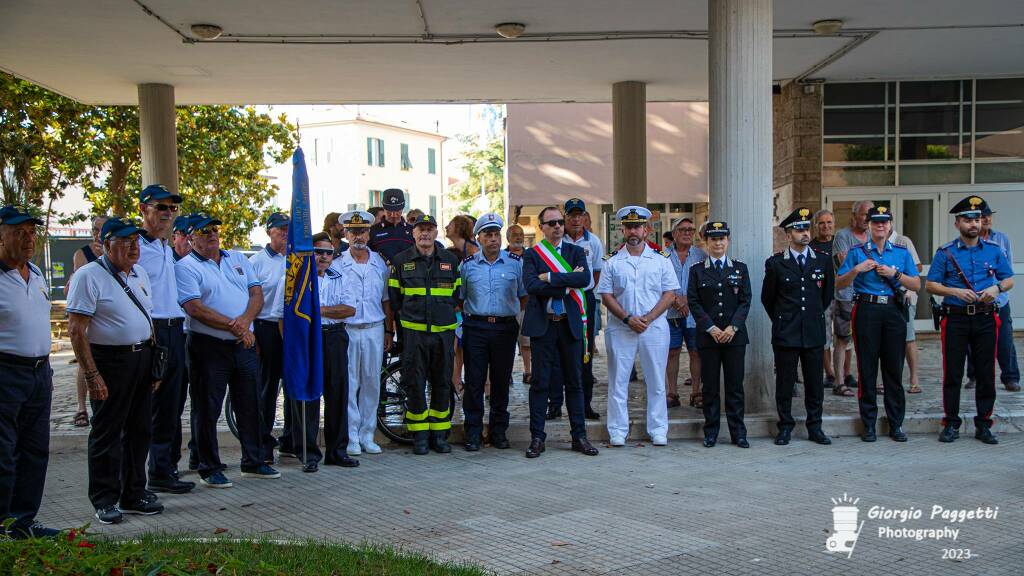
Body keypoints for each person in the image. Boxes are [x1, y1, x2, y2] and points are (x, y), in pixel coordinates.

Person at [67, 217, 163, 524]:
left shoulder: (140, 274)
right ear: (106, 245)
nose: (134, 247)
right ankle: (105, 498)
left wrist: (154, 367)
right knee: (107, 432)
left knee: (140, 430)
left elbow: (148, 317)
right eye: (125, 242)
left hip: (141, 359)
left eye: (136, 241)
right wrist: (92, 374)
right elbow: (76, 331)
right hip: (110, 361)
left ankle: (134, 492)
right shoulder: (89, 276)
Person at [176, 213, 277, 487]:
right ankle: (209, 467)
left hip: (242, 343)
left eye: (214, 229)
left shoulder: (237, 258)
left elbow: (256, 294)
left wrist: (244, 324)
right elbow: (194, 308)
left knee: (250, 403)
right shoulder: (186, 267)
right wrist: (236, 326)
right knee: (207, 408)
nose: (211, 234)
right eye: (203, 231)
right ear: (190, 237)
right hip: (209, 346)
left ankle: (253, 461)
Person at [927, 196, 1014, 445]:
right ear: (957, 224)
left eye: (976, 219)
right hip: (955, 319)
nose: (973, 224)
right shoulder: (946, 253)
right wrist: (955, 292)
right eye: (968, 219)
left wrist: (996, 289)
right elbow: (931, 285)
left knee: (987, 373)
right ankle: (951, 423)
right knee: (953, 373)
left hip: (986, 317)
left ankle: (984, 424)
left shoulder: (994, 251)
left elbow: (1008, 279)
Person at [836, 205, 920, 443]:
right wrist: (856, 269)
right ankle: (869, 424)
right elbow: (840, 284)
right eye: (875, 222)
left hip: (893, 310)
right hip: (867, 310)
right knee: (868, 369)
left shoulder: (901, 252)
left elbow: (915, 284)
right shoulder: (857, 251)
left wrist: (895, 275)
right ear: (869, 225)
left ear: (890, 225)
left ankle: (896, 424)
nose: (880, 226)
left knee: (893, 369)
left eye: (884, 222)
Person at [0, 205, 60, 538]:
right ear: (1, 234)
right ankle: (2, 523)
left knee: (35, 450)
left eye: (32, 232)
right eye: (19, 231)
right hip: (6, 372)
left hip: (39, 372)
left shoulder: (35, 273)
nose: (28, 239)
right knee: (3, 454)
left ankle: (23, 521)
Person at [521, 206, 600, 458]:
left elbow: (584, 280)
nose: (557, 226)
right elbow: (532, 285)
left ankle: (579, 436)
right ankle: (537, 438)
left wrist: (550, 278)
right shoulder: (532, 255)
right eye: (551, 223)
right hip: (544, 326)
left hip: (569, 324)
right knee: (540, 382)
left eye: (559, 222)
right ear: (541, 227)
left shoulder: (576, 251)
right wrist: (565, 280)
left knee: (575, 383)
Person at [597, 206, 677, 446]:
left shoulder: (661, 260)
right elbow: (606, 295)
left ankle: (658, 428)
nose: (633, 231)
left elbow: (670, 293)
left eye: (638, 226)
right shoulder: (612, 261)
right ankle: (617, 430)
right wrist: (627, 318)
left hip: (654, 328)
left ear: (647, 230)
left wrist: (649, 318)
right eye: (629, 226)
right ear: (622, 229)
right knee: (618, 381)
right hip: (621, 328)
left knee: (656, 380)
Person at [136, 184, 194, 495]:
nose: (168, 214)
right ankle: (146, 473)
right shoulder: (136, 246)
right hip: (153, 330)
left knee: (172, 404)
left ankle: (163, 468)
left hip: (175, 329)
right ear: (144, 209)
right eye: (162, 208)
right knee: (151, 406)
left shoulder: (163, 247)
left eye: (172, 209)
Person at [388, 213, 462, 455]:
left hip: (443, 334)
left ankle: (439, 435)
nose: (425, 233)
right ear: (413, 232)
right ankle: (419, 435)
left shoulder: (450, 261)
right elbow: (396, 301)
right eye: (420, 229)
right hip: (414, 336)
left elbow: (456, 297)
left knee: (442, 382)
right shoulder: (400, 261)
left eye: (429, 229)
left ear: (436, 233)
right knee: (414, 384)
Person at [761, 208, 835, 446]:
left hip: (813, 331)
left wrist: (810, 317)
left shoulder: (822, 260)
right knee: (785, 383)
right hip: (786, 332)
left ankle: (815, 426)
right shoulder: (776, 264)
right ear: (788, 234)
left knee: (815, 383)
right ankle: (785, 427)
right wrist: (784, 319)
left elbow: (826, 296)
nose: (805, 233)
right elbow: (768, 299)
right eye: (799, 229)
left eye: (806, 229)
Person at [460, 213, 526, 451]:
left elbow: (523, 296)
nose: (493, 239)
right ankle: (474, 433)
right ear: (478, 238)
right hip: (476, 327)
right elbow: (461, 298)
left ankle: (498, 432)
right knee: (475, 382)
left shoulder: (515, 263)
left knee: (500, 381)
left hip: (504, 328)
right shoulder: (467, 266)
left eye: (496, 234)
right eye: (487, 235)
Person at [688, 221, 752, 448]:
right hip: (709, 337)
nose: (718, 243)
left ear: (728, 241)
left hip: (734, 337)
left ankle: (738, 433)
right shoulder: (697, 270)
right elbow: (694, 302)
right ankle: (711, 432)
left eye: (722, 238)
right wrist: (712, 328)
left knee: (735, 387)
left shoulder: (739, 268)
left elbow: (745, 301)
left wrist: (732, 328)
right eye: (713, 239)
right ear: (706, 242)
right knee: (710, 387)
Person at [334, 211, 392, 457]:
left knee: (371, 382)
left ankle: (368, 434)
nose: (358, 236)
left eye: (362, 231)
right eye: (353, 231)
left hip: (374, 329)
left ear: (369, 233)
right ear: (345, 234)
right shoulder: (337, 264)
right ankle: (352, 436)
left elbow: (386, 299)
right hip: (348, 329)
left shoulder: (380, 262)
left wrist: (390, 329)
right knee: (350, 383)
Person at [249, 213, 293, 464]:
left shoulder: (297, 260)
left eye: (289, 230)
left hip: (291, 328)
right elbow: (249, 300)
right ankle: (263, 443)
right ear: (269, 232)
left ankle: (290, 439)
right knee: (267, 388)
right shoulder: (255, 262)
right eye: (281, 230)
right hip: (265, 327)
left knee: (292, 386)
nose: (285, 234)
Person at [554, 198, 603, 420]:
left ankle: (585, 405)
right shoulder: (556, 240)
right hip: (560, 299)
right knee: (555, 351)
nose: (575, 219)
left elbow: (596, 273)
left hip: (584, 299)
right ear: (564, 217)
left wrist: (581, 290)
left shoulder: (593, 242)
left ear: (584, 217)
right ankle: (554, 404)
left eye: (579, 215)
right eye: (571, 215)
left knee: (584, 352)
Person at [965, 206, 1020, 392]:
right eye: (982, 217)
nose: (986, 219)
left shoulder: (1002, 239)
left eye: (988, 216)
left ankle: (1010, 377)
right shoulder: (969, 240)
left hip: (999, 298)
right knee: (973, 341)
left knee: (1005, 339)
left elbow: (1008, 270)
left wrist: (1001, 291)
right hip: (976, 299)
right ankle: (973, 377)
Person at [66, 215, 108, 428]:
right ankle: (81, 407)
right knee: (85, 360)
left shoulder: (117, 252)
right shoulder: (83, 254)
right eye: (94, 229)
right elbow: (78, 280)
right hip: (86, 313)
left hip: (106, 315)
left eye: (101, 229)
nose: (97, 233)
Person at [831, 200, 873, 397]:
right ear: (854, 215)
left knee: (868, 339)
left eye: (869, 214)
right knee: (842, 339)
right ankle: (839, 382)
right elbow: (844, 263)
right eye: (864, 214)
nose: (867, 218)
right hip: (846, 296)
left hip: (869, 295)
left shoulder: (873, 236)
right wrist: (869, 266)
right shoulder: (842, 236)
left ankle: (868, 381)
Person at [666, 217, 705, 408]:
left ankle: (696, 392)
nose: (687, 233)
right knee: (672, 352)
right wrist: (675, 300)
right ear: (674, 234)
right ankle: (672, 393)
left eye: (691, 229)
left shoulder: (701, 255)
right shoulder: (662, 256)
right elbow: (659, 283)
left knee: (696, 352)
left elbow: (705, 285)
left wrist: (687, 301)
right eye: (683, 230)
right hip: (670, 313)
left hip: (694, 313)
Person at [888, 228, 923, 394]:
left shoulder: (903, 241)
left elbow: (918, 267)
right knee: (887, 341)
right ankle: (889, 378)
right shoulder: (871, 243)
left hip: (905, 296)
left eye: (884, 222)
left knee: (908, 338)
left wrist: (901, 279)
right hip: (886, 299)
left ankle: (914, 378)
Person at [810, 209, 841, 389]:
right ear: (815, 226)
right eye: (821, 223)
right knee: (825, 337)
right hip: (822, 297)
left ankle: (845, 374)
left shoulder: (840, 243)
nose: (826, 226)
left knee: (845, 336)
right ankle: (829, 373)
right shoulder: (812, 247)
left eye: (829, 222)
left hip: (842, 295)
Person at [506, 224, 532, 383]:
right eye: (514, 234)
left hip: (528, 305)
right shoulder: (501, 256)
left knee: (527, 341)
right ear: (508, 237)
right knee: (506, 343)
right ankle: (505, 372)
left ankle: (528, 371)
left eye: (521, 234)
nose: (518, 237)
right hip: (508, 305)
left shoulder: (531, 255)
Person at [369, 189, 414, 263]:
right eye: (389, 211)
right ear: (383, 207)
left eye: (397, 210)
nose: (393, 215)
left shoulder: (412, 230)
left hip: (408, 273)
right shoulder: (372, 231)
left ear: (402, 208)